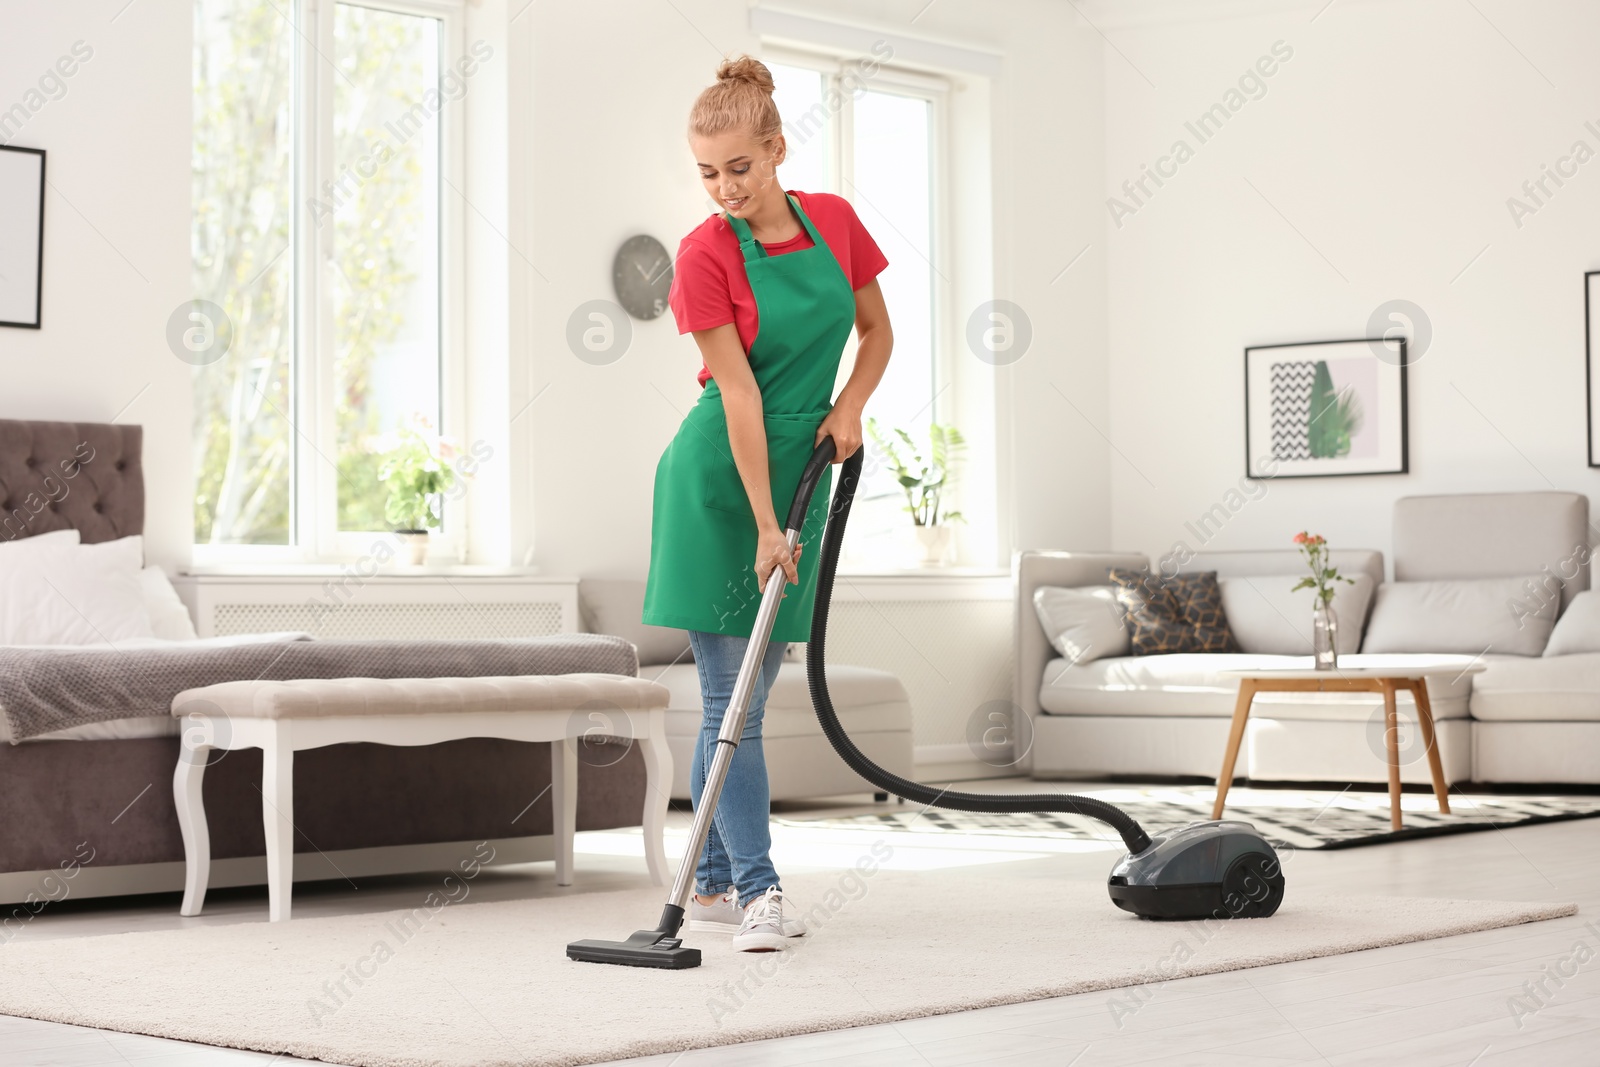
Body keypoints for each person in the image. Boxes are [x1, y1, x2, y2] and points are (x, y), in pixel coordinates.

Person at [640, 55, 893, 952]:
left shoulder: (834, 225)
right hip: (724, 480)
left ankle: (708, 876)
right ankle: (758, 889)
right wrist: (761, 524)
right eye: (707, 173)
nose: (724, 189)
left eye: (739, 168)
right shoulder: (705, 253)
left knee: (754, 684)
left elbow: (876, 330)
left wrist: (850, 405)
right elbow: (739, 396)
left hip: (805, 467)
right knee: (730, 698)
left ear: (777, 148)